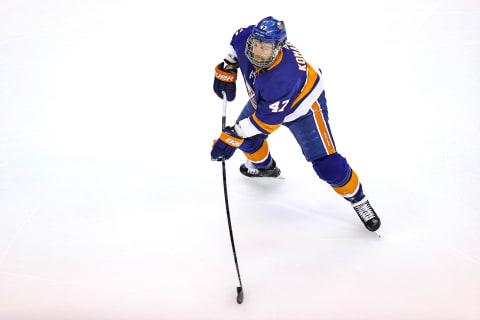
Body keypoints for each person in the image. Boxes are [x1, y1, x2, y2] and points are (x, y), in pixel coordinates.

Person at [210, 16, 381, 232]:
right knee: (247, 141)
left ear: (279, 48)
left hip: (304, 107)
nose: (258, 52)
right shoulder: (246, 37)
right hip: (267, 101)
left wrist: (234, 133)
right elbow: (236, 42)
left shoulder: (283, 76)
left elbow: (265, 122)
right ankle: (266, 168)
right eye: (256, 45)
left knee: (327, 165)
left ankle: (358, 199)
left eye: (266, 48)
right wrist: (229, 63)